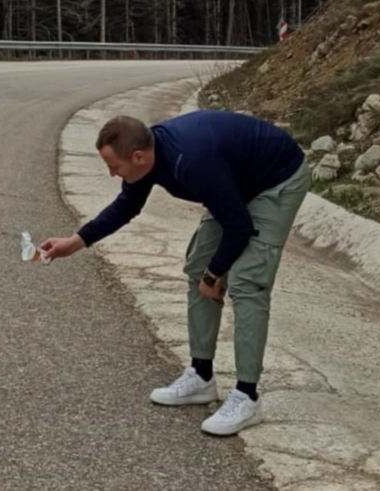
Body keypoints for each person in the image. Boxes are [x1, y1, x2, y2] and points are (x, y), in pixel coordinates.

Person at [40, 109, 311, 436]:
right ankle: (201, 376)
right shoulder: (150, 156)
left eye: (114, 167)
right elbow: (127, 206)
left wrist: (214, 277)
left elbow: (239, 227)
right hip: (236, 179)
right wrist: (75, 242)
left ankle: (247, 396)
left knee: (246, 282)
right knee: (198, 265)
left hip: (276, 179)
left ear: (138, 156)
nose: (112, 174)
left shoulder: (192, 162)